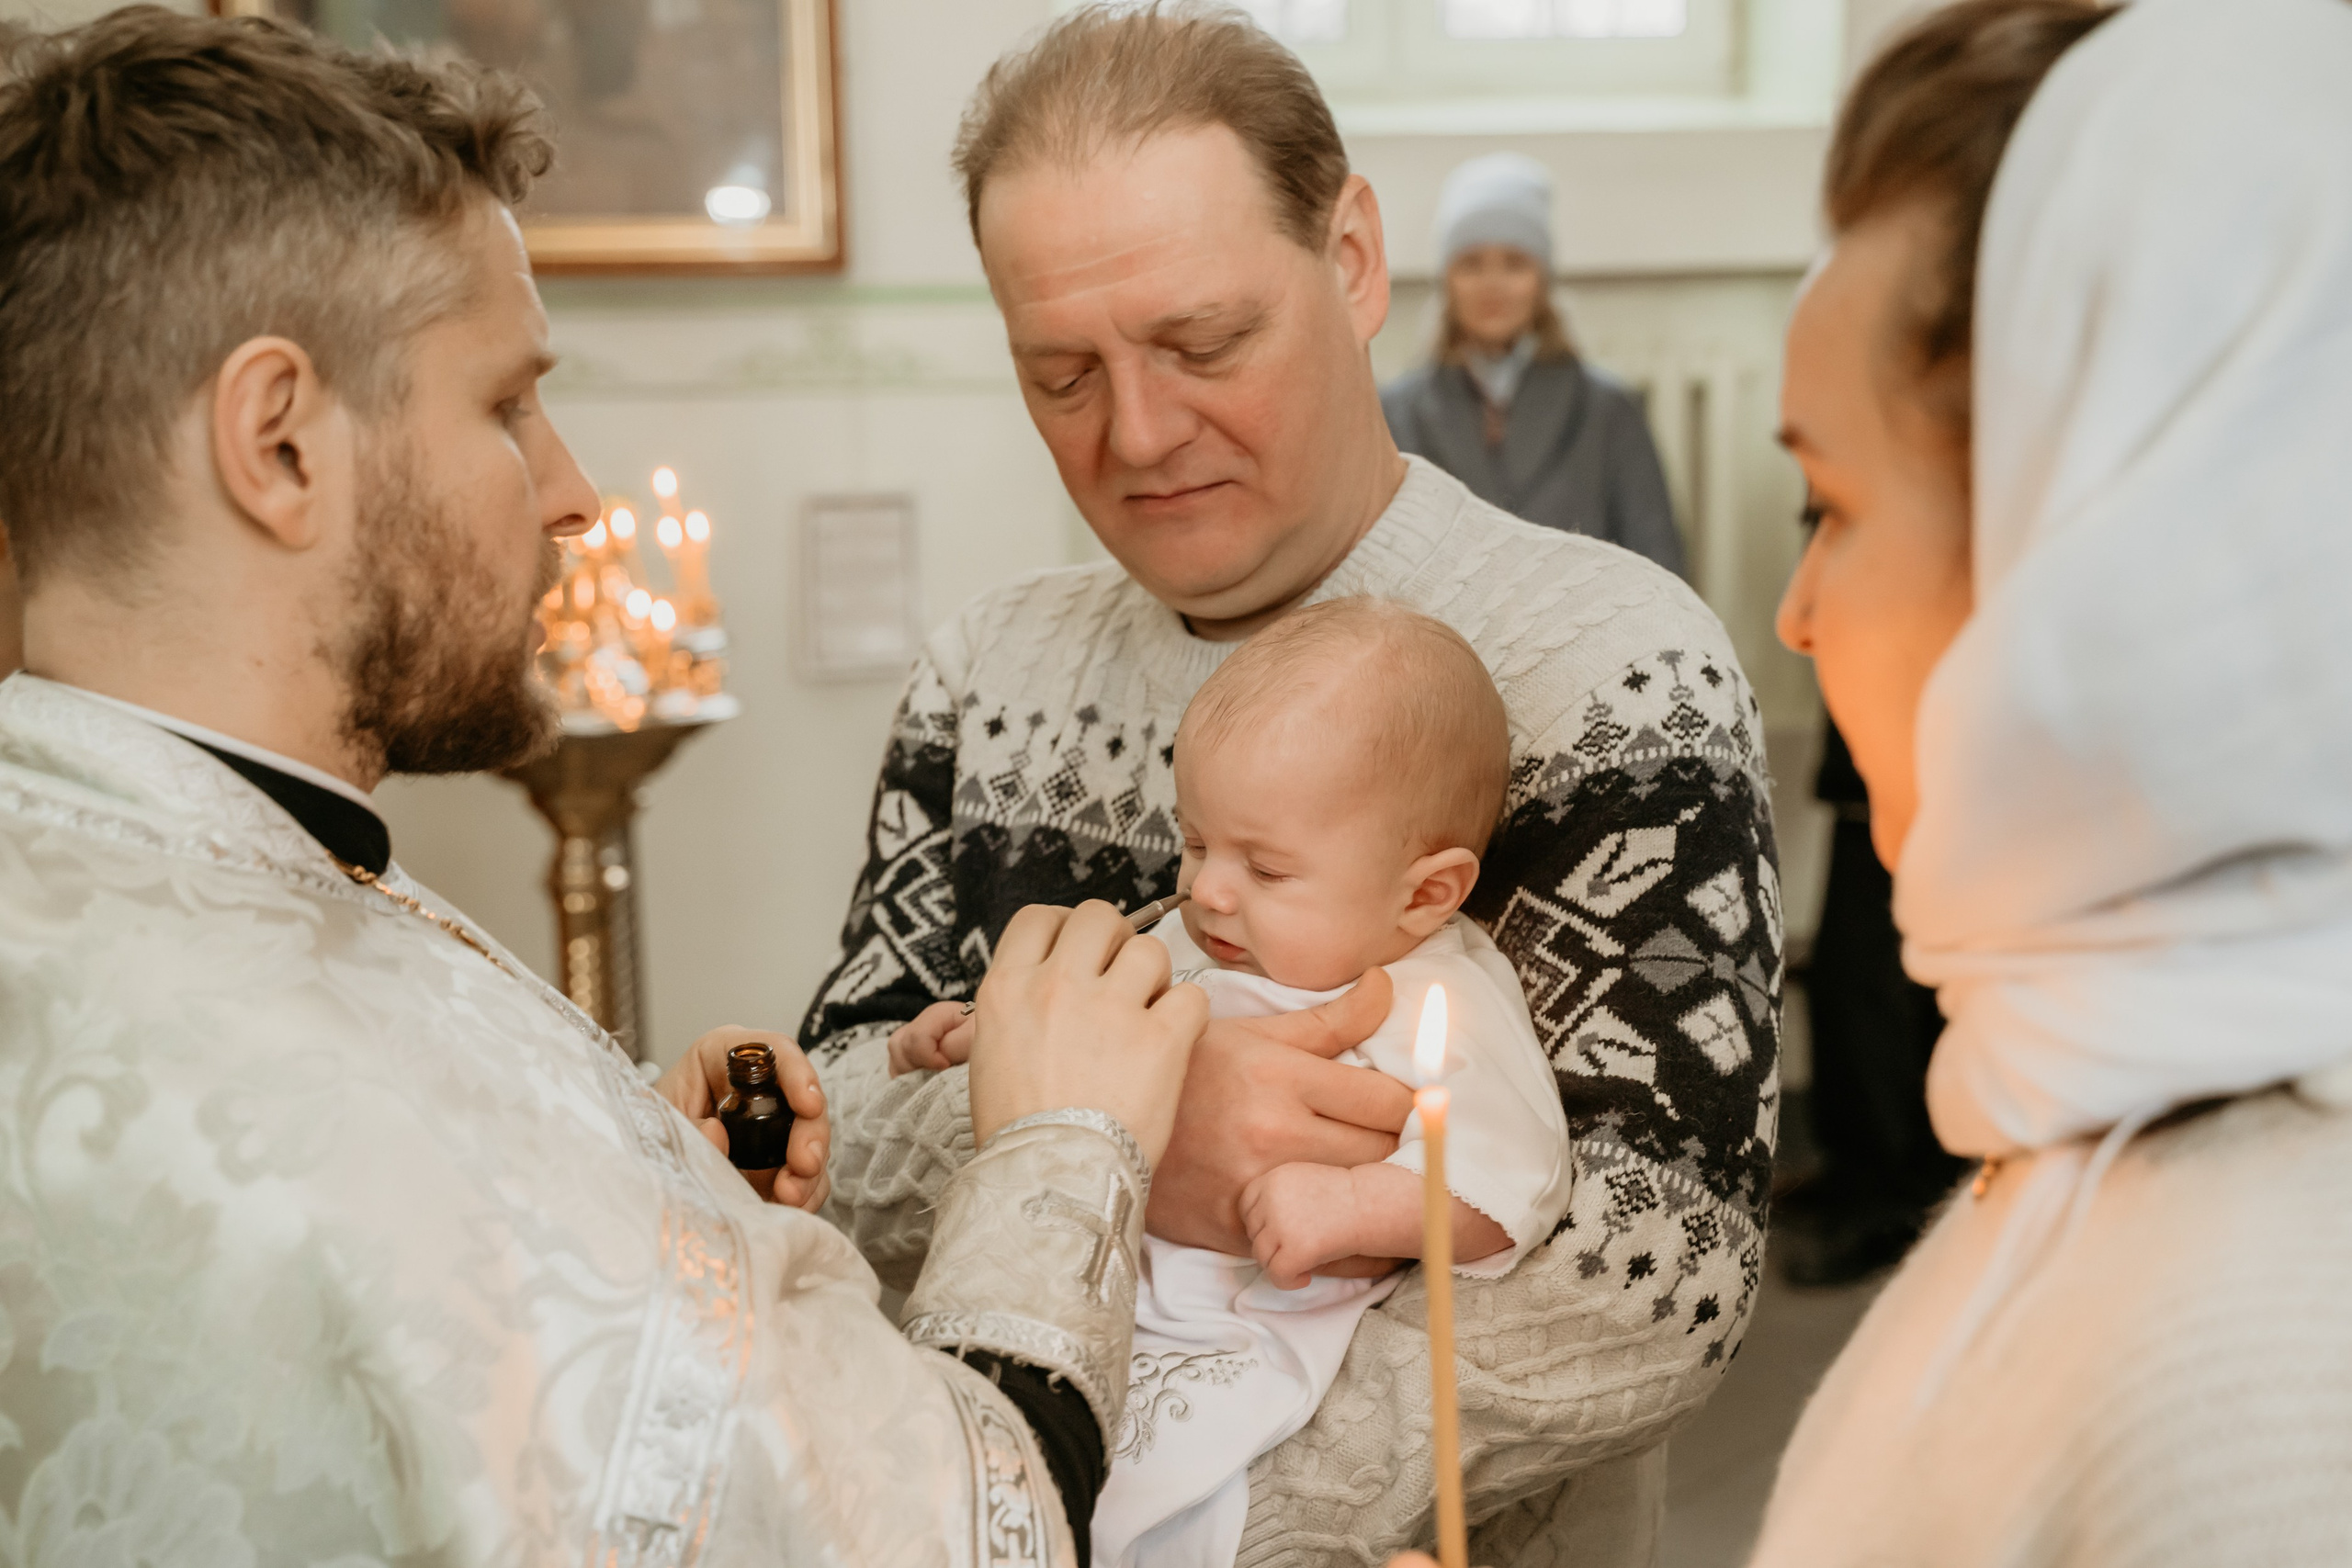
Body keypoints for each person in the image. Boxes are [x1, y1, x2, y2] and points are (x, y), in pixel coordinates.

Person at [0, 11, 1210, 1562]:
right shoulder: (444, 1148)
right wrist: (1062, 1140)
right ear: (280, 441)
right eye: (506, 403)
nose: (569, 491)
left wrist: (651, 1174)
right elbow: (968, 1534)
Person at [799, 6, 1782, 1561]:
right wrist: (1105, 1135)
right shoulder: (986, 678)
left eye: (1203, 344)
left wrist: (1146, 1513)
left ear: (1353, 261)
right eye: (1060, 373)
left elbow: (1660, 1269)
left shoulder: (1606, 663)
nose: (1137, 431)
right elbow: (827, 1142)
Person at [1752, 0, 2352, 1560]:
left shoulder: (2266, 1374)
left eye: (1831, 502)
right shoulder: (2094, 1124)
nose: (1794, 610)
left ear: (2087, 568)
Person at [899, 599, 1574, 1567]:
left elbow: (1509, 1189)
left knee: (1144, 1515)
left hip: (1235, 1336)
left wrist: (1351, 1203)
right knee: (971, 1488)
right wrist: (978, 1031)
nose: (1208, 888)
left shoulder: (1435, 1002)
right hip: (1075, 1299)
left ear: (1424, 892)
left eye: (1266, 866)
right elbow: (1080, 1031)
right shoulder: (1194, 929)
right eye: (1200, 840)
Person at [1381, 152, 1686, 577]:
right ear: (1447, 280)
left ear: (1542, 280)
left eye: (1515, 263)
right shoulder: (1395, 413)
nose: (1493, 285)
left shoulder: (1609, 411)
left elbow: (1659, 565)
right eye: (1471, 263)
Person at [1775, 716, 1963, 1285]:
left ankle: (1888, 1201)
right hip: (1880, 767)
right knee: (1859, 981)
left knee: (1868, 989)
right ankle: (1871, 1175)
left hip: (1908, 759)